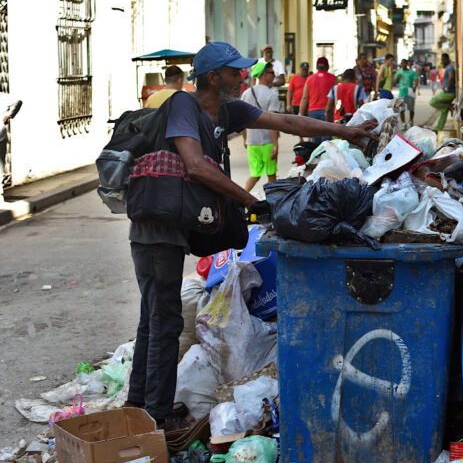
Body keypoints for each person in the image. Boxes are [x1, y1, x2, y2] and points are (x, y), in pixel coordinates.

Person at [125, 42, 377, 431]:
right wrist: (250, 201)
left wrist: (346, 131)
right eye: (235, 71)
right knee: (164, 321)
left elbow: (288, 123)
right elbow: (195, 166)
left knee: (154, 317)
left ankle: (137, 405)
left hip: (174, 227)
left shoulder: (229, 110)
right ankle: (155, 415)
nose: (243, 76)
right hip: (156, 229)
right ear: (213, 77)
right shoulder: (182, 106)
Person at [241, 62, 280, 192]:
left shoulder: (246, 94)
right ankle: (272, 203)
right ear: (263, 74)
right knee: (271, 174)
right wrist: (276, 144)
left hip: (252, 142)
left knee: (255, 174)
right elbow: (272, 122)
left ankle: (239, 201)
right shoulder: (271, 95)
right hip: (267, 142)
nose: (274, 76)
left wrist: (245, 140)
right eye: (272, 73)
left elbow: (243, 121)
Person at [299, 57, 337, 144]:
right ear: (327, 67)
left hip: (313, 112)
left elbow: (305, 98)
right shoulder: (333, 79)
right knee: (327, 141)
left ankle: (317, 156)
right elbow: (337, 95)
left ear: (317, 67)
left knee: (315, 142)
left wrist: (301, 114)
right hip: (328, 112)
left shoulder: (310, 79)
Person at [0, 95, 22, 203]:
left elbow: (18, 101)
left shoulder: (2, 97)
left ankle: (0, 195)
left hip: (0, 137)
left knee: (0, 168)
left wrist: (8, 116)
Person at [429, 53, 457, 131]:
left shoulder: (450, 67)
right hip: (449, 92)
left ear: (448, 59)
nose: (442, 61)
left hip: (449, 93)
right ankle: (439, 128)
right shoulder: (448, 67)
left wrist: (447, 88)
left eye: (444, 59)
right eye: (442, 59)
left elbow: (451, 76)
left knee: (432, 101)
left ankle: (446, 107)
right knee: (443, 112)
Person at [394, 59, 419, 128]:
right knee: (401, 110)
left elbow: (416, 80)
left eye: (404, 63)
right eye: (402, 63)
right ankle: (403, 123)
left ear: (407, 64)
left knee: (411, 109)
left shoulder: (411, 72)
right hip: (401, 93)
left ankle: (411, 121)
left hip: (410, 93)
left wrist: (414, 86)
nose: (403, 65)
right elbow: (394, 82)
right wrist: (397, 78)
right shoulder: (399, 72)